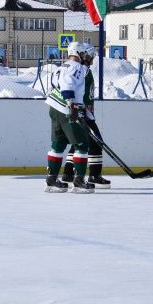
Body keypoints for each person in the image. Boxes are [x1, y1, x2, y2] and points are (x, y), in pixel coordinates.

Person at [44, 42, 93, 193]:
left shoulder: (61, 67)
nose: (85, 56)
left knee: (58, 144)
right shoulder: (77, 67)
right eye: (84, 53)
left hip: (54, 107)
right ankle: (78, 181)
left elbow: (54, 85)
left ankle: (51, 180)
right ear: (78, 53)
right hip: (68, 109)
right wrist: (72, 104)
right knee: (82, 145)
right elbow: (68, 84)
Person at [61, 45, 111, 188]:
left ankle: (68, 173)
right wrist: (87, 114)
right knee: (96, 143)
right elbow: (85, 97)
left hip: (76, 111)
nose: (92, 60)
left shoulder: (73, 69)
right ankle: (94, 176)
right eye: (90, 56)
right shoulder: (84, 71)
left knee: (79, 143)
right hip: (82, 112)